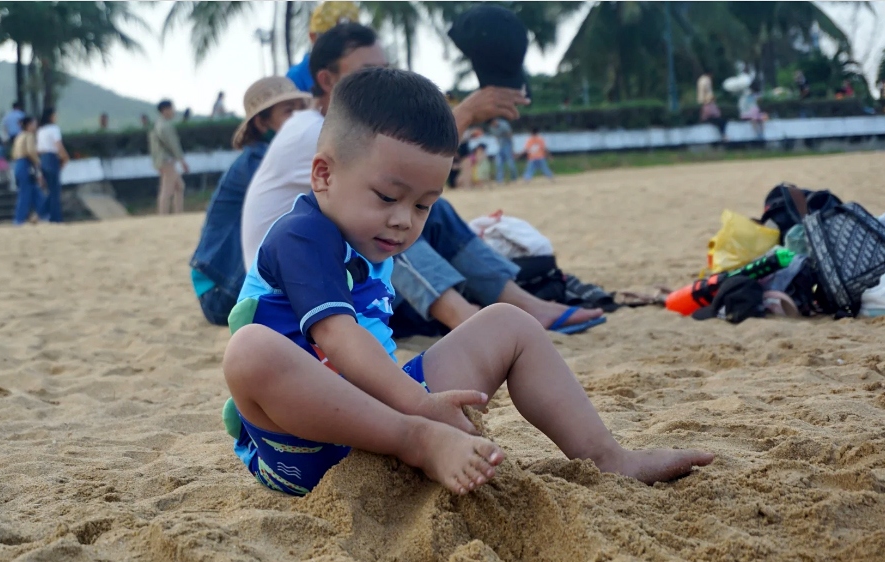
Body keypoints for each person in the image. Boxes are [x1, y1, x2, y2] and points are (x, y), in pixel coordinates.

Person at [222, 67, 715, 497]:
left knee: (510, 325)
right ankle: (416, 442)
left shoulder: (373, 237)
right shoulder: (301, 234)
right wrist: (418, 413)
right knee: (249, 352)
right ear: (324, 174)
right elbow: (339, 337)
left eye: (422, 205)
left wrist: (419, 403)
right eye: (387, 197)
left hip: (394, 411)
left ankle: (607, 458)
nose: (403, 221)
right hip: (304, 445)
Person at [242, 22, 603, 338]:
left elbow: (406, 175)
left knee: (424, 209)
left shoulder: (342, 131)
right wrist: (466, 112)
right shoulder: (314, 130)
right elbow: (406, 161)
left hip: (348, 268)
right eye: (368, 70)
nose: (380, 79)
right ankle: (466, 318)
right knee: (389, 219)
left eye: (384, 69)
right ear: (326, 79)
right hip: (295, 282)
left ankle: (520, 302)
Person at [191, 77, 311, 325]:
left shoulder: (265, 157)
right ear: (262, 122)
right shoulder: (260, 162)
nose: (300, 117)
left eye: (302, 108)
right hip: (220, 289)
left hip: (219, 282)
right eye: (289, 111)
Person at [286, 1, 360, 93]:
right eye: (332, 40)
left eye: (349, 41)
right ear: (313, 37)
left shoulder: (361, 69)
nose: (340, 46)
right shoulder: (296, 77)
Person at [150, 99, 189, 216]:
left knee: (179, 186)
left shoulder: (158, 124)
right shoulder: (165, 126)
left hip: (162, 160)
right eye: (172, 109)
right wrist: (182, 161)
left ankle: (178, 213)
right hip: (167, 160)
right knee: (167, 189)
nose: (173, 111)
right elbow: (174, 145)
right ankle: (164, 215)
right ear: (165, 110)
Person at [36, 107, 69, 223]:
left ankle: (41, 213)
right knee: (55, 191)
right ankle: (55, 217)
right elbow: (58, 145)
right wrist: (65, 157)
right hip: (51, 158)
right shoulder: (54, 129)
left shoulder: (41, 130)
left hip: (43, 159)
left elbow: (38, 149)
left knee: (51, 190)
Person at [12, 116, 46, 225]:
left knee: (35, 192)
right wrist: (38, 162)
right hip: (25, 164)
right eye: (34, 124)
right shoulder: (29, 136)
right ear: (29, 125)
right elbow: (31, 151)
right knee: (25, 193)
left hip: (18, 164)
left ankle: (44, 214)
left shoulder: (19, 136)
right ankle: (19, 219)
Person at [487, 117, 517, 184]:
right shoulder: (492, 128)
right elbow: (496, 137)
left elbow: (510, 134)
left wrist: (512, 147)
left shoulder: (504, 124)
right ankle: (499, 179)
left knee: (510, 162)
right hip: (501, 145)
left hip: (507, 144)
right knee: (499, 163)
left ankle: (514, 178)